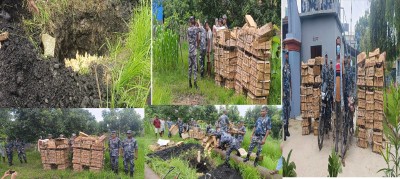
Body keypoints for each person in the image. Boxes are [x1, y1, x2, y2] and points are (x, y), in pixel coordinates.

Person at [187, 16, 201, 89]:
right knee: (195, 67)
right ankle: (195, 83)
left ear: (190, 22)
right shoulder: (196, 29)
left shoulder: (188, 29)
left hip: (190, 50)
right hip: (194, 51)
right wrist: (198, 23)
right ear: (194, 21)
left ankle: (189, 83)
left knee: (190, 67)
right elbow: (201, 29)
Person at [282, 52, 291, 141]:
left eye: (288, 55)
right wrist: (282, 92)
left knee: (288, 111)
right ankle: (284, 132)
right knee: (284, 112)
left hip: (288, 93)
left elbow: (290, 79)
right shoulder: (283, 67)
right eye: (286, 55)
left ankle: (287, 130)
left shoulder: (289, 67)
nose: (287, 56)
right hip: (284, 93)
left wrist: (291, 92)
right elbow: (282, 80)